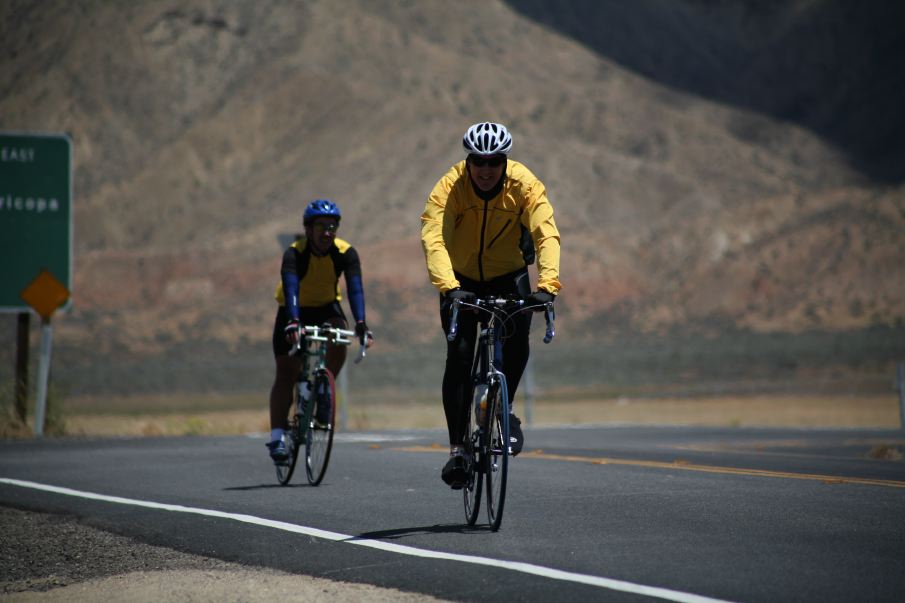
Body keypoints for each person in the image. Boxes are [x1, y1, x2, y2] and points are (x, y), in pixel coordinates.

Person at [420, 122, 561, 488]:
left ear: (504, 162)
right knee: (460, 356)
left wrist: (547, 285)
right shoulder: (451, 186)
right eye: (478, 162)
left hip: (508, 274)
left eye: (494, 162)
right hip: (460, 281)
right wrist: (449, 287)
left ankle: (505, 409)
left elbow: (546, 233)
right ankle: (457, 451)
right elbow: (433, 235)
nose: (485, 170)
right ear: (468, 161)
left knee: (517, 339)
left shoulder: (525, 185)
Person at [266, 199, 373, 462]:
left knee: (340, 333)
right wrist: (293, 321)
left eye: (332, 227)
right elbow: (291, 288)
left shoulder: (346, 252)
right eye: (322, 226)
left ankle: (324, 387)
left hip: (327, 306)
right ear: (309, 229)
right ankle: (278, 436)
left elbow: (355, 288)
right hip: (293, 309)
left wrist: (361, 323)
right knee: (286, 371)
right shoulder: (294, 253)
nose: (327, 232)